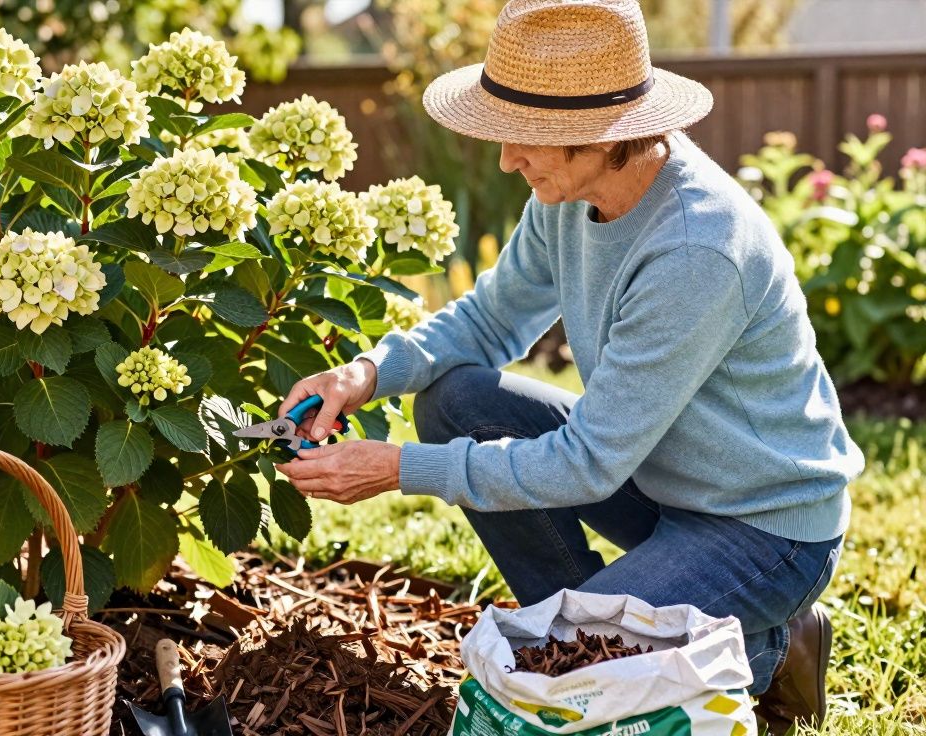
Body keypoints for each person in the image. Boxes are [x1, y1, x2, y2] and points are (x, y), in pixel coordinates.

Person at [273, 0, 864, 731]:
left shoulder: (695, 249)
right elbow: (489, 320)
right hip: (657, 482)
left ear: (601, 135)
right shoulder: (568, 196)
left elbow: (585, 465)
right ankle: (608, 617)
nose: (505, 160)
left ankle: (771, 644)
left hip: (762, 526)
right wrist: (364, 372)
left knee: (565, 667)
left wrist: (399, 469)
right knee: (456, 400)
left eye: (527, 140)